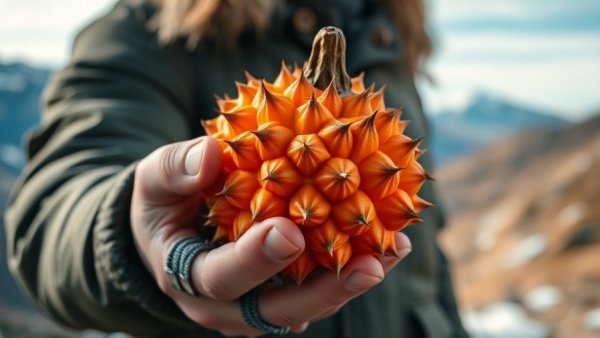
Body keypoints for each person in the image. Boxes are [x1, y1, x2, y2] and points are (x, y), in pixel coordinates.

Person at [4, 0, 469, 337]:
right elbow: (53, 210)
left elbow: (426, 260)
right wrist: (132, 237)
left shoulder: (385, 33)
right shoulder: (148, 27)